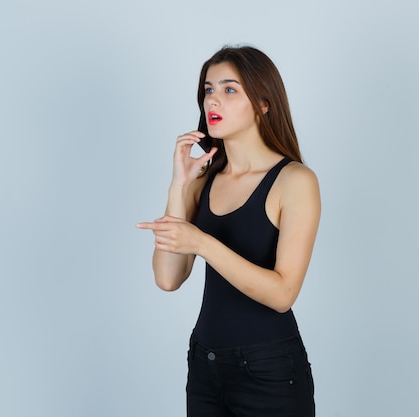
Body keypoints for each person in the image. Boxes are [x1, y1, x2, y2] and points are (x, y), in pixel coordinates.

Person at [136, 45, 320, 417]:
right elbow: (168, 278)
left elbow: (283, 293)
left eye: (229, 89)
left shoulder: (294, 180)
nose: (213, 100)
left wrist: (203, 243)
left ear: (263, 104)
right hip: (205, 364)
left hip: (268, 371)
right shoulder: (204, 178)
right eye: (208, 89)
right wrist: (179, 186)